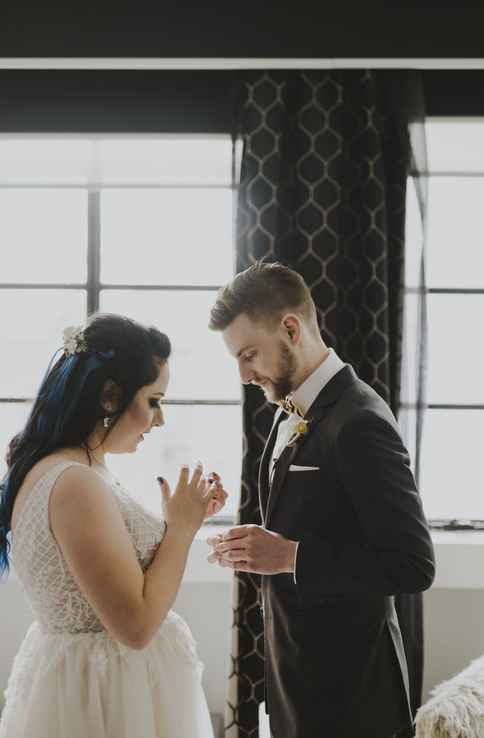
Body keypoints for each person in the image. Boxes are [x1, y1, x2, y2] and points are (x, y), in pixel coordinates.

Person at [206, 262, 435, 738]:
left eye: (249, 354)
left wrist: (289, 557)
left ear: (291, 328)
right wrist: (252, 549)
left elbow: (413, 564)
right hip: (297, 687)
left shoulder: (360, 421)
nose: (244, 373)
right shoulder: (286, 410)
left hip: (352, 702)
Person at [0, 312, 227, 738]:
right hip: (105, 702)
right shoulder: (75, 483)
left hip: (101, 689)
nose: (160, 421)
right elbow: (136, 626)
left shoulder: (77, 469)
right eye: (154, 401)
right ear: (110, 397)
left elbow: (119, 572)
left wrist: (184, 517)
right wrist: (179, 529)